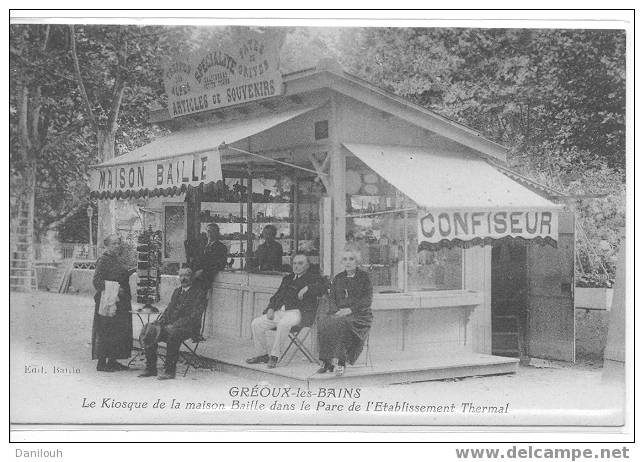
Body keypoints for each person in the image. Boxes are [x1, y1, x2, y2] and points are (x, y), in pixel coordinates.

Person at [246, 253, 326, 369]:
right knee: (256, 323)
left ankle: (274, 356)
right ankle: (262, 355)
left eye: (300, 263)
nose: (296, 266)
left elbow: (325, 286)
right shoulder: (287, 278)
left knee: (284, 324)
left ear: (307, 265)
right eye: (294, 263)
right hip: (280, 312)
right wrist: (270, 308)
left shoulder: (313, 278)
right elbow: (277, 296)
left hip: (298, 313)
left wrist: (308, 288)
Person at [138, 267, 207, 380]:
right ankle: (151, 368)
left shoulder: (198, 293)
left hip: (188, 328)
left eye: (186, 275)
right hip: (171, 325)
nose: (183, 278)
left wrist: (175, 325)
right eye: (181, 276)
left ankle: (170, 371)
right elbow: (168, 310)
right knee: (150, 329)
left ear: (192, 277)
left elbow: (194, 316)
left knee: (173, 335)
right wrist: (160, 322)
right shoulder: (177, 291)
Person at [317, 247, 373, 376]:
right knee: (324, 322)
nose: (348, 262)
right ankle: (327, 361)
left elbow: (367, 300)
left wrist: (350, 309)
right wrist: (336, 310)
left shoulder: (364, 277)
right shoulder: (339, 278)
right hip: (340, 312)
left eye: (351, 259)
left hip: (360, 315)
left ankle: (341, 362)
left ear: (357, 261)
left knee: (342, 323)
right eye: (345, 259)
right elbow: (332, 299)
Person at [92, 234, 135, 372]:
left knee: (118, 330)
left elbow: (118, 275)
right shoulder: (103, 260)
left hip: (121, 301)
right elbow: (97, 281)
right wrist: (116, 289)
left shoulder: (116, 259)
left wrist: (129, 272)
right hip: (108, 301)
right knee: (106, 330)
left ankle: (113, 360)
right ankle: (102, 363)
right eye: (114, 244)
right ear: (107, 246)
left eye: (118, 244)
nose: (117, 246)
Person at [193, 223, 228, 292]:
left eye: (213, 231)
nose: (210, 234)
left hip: (206, 280)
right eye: (208, 231)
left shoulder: (221, 247)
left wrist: (203, 271)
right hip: (194, 278)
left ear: (217, 233)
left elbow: (220, 265)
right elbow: (196, 260)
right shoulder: (201, 246)